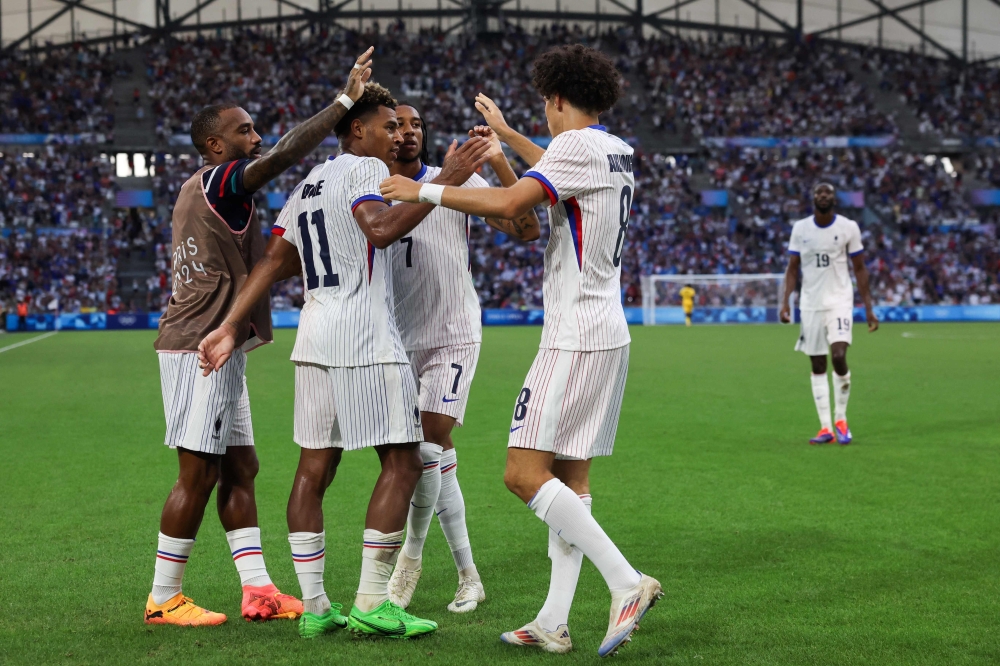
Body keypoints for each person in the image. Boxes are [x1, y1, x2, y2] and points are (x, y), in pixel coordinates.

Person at [380, 44, 661, 658]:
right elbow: (552, 166)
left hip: (574, 335)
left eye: (544, 107)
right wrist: (508, 138)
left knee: (523, 474)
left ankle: (626, 581)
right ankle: (555, 620)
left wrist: (420, 192)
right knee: (572, 480)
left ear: (557, 99)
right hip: (605, 330)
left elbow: (513, 205)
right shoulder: (614, 150)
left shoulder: (579, 148)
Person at [197, 84, 493, 639]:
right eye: (387, 126)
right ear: (357, 131)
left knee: (315, 469)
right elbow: (380, 231)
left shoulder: (308, 183)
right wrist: (446, 178)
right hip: (364, 335)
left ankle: (314, 607)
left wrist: (230, 325)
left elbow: (273, 261)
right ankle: (372, 602)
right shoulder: (362, 171)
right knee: (405, 461)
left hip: (312, 336)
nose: (396, 136)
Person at [145, 47, 375, 627]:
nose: (256, 136)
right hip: (201, 345)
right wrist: (344, 102)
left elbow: (269, 260)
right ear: (216, 145)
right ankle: (162, 597)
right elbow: (283, 156)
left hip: (215, 343)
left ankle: (257, 590)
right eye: (243, 130)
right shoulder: (222, 180)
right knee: (196, 473)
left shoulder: (213, 190)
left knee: (240, 467)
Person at [384, 103, 540, 614]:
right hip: (392, 341)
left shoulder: (452, 182)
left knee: (427, 443)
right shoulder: (368, 188)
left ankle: (409, 559)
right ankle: (469, 576)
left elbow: (526, 230)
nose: (408, 133)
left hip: (451, 334)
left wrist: (495, 162)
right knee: (433, 455)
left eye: (416, 125)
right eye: (397, 125)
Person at [780, 183, 878, 445]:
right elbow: (792, 268)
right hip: (810, 304)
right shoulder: (801, 229)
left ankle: (841, 419)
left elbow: (859, 269)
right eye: (819, 194)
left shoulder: (848, 227)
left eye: (828, 194)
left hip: (839, 301)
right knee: (817, 364)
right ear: (813, 198)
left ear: (834, 199)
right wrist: (786, 301)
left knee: (838, 355)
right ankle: (825, 428)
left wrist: (868, 307)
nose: (823, 197)